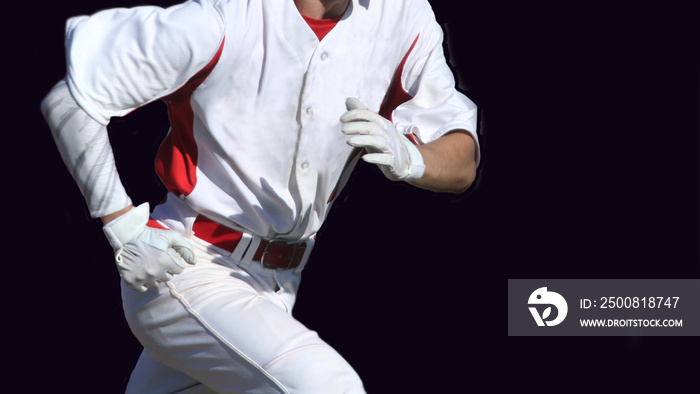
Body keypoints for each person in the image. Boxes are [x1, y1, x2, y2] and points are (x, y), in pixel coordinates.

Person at [41, 0, 479, 392]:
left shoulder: (403, 13)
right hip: (187, 265)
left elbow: (461, 161)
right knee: (327, 386)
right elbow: (69, 103)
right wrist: (124, 227)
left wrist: (413, 159)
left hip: (278, 285)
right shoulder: (227, 15)